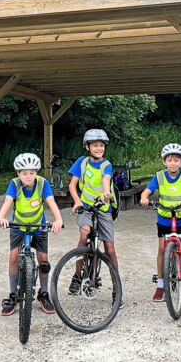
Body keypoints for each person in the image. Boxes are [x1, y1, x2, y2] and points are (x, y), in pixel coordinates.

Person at [0, 153, 63, 316]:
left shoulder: (43, 184)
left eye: (32, 173)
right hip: (18, 226)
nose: (28, 176)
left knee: (43, 259)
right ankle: (13, 295)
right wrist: (1, 217)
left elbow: (51, 201)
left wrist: (58, 219)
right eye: (24, 173)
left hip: (38, 225)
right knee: (13, 257)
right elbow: (8, 201)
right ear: (18, 174)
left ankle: (43, 294)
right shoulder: (14, 184)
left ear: (36, 173)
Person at [140, 143, 181, 303]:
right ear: (164, 162)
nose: (173, 163)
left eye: (177, 160)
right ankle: (161, 285)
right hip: (164, 218)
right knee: (162, 248)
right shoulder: (159, 176)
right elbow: (147, 191)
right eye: (169, 160)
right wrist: (144, 198)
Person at [67, 129, 122, 306]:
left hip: (103, 207)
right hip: (85, 207)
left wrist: (107, 193)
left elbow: (106, 180)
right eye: (95, 145)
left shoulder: (107, 165)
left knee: (110, 249)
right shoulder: (81, 163)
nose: (99, 148)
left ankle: (116, 289)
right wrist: (77, 201)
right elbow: (72, 185)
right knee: (84, 235)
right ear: (88, 147)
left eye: (101, 145)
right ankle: (77, 276)